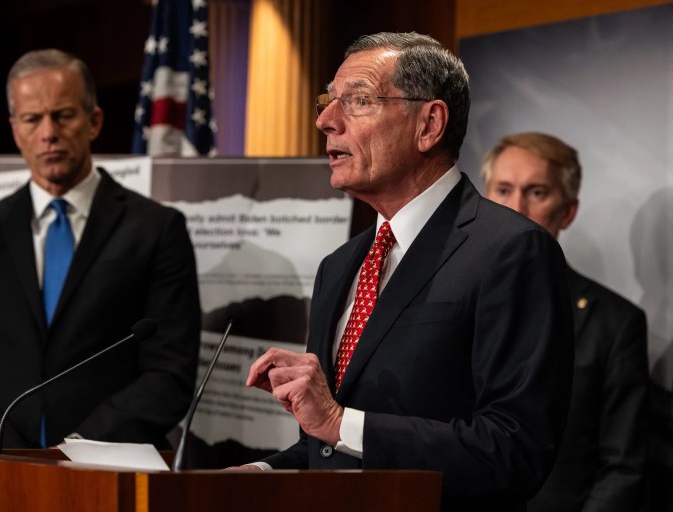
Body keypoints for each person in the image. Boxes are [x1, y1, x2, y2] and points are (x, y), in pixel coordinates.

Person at [241, 33, 574, 511]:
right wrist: (258, 475)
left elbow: (513, 452)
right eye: (329, 100)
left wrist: (338, 420)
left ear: (429, 124)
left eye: (357, 100)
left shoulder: (511, 251)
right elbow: (336, 446)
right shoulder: (339, 267)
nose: (324, 120)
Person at [0, 49, 201, 449]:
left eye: (63, 115)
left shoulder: (156, 230)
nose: (48, 132)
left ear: (94, 121)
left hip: (109, 469)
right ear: (15, 129)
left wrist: (75, 451)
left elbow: (169, 372)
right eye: (32, 119)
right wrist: (5, 455)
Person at [481, 132, 648, 512]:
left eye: (536, 192)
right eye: (503, 190)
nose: (516, 207)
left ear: (568, 211)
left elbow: (622, 467)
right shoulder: (448, 303)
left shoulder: (615, 324)